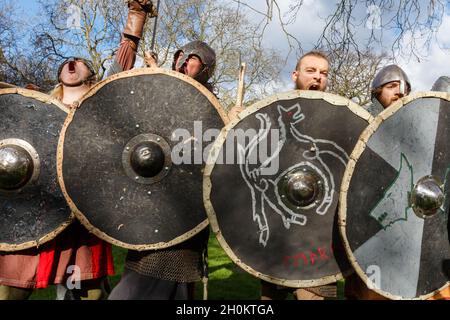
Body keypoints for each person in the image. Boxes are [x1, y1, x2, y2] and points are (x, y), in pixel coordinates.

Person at [106, 0, 215, 300]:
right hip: (150, 199)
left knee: (163, 284)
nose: (182, 61)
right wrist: (154, 78)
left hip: (183, 206)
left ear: (204, 68)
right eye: (180, 55)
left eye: (191, 59)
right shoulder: (158, 93)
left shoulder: (210, 107)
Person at [0, 57, 115, 300]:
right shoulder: (37, 108)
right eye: (66, 62)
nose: (71, 63)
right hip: (35, 211)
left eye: (79, 61)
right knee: (10, 290)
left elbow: (122, 65)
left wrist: (134, 24)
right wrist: (26, 102)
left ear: (92, 75)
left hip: (81, 219)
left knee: (86, 294)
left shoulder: (102, 108)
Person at [256, 51, 338, 300]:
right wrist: (238, 122)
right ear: (295, 74)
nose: (318, 78)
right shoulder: (273, 116)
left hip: (318, 237)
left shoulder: (336, 119)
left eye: (323, 73)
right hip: (277, 236)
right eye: (311, 71)